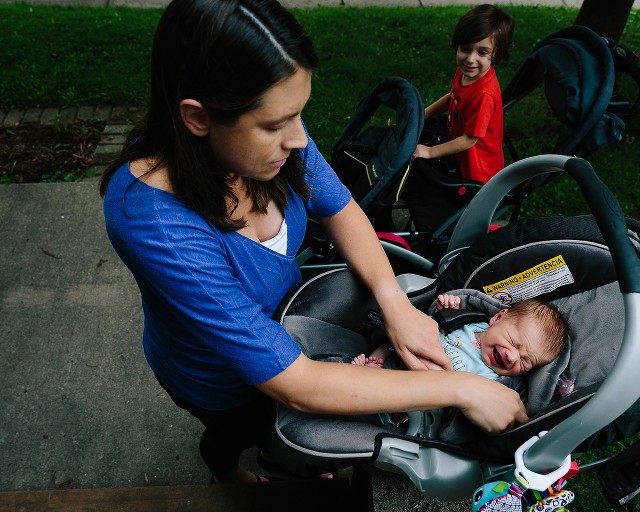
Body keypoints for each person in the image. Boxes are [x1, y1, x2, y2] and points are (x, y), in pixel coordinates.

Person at [99, 0, 527, 485]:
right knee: (233, 431)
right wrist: (465, 389)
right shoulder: (153, 221)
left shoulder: (275, 149)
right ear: (198, 117)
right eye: (274, 124)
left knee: (291, 444)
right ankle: (225, 470)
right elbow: (297, 385)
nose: (300, 139)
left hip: (295, 328)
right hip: (218, 378)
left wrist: (396, 304)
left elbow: (339, 205)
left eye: (298, 113)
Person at [404, 4, 514, 242]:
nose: (470, 59)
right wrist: (427, 112)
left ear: (496, 54)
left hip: (476, 171)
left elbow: (469, 139)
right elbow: (452, 96)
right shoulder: (466, 74)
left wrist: (430, 151)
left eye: (482, 52)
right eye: (466, 49)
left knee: (451, 208)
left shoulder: (484, 94)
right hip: (460, 154)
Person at [353, 293, 568, 380]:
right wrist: (445, 309)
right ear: (498, 318)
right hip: (411, 350)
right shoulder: (471, 320)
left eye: (525, 362)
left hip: (424, 384)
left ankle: (376, 381)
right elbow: (435, 325)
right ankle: (374, 364)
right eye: (513, 343)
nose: (512, 357)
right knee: (392, 342)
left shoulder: (493, 379)